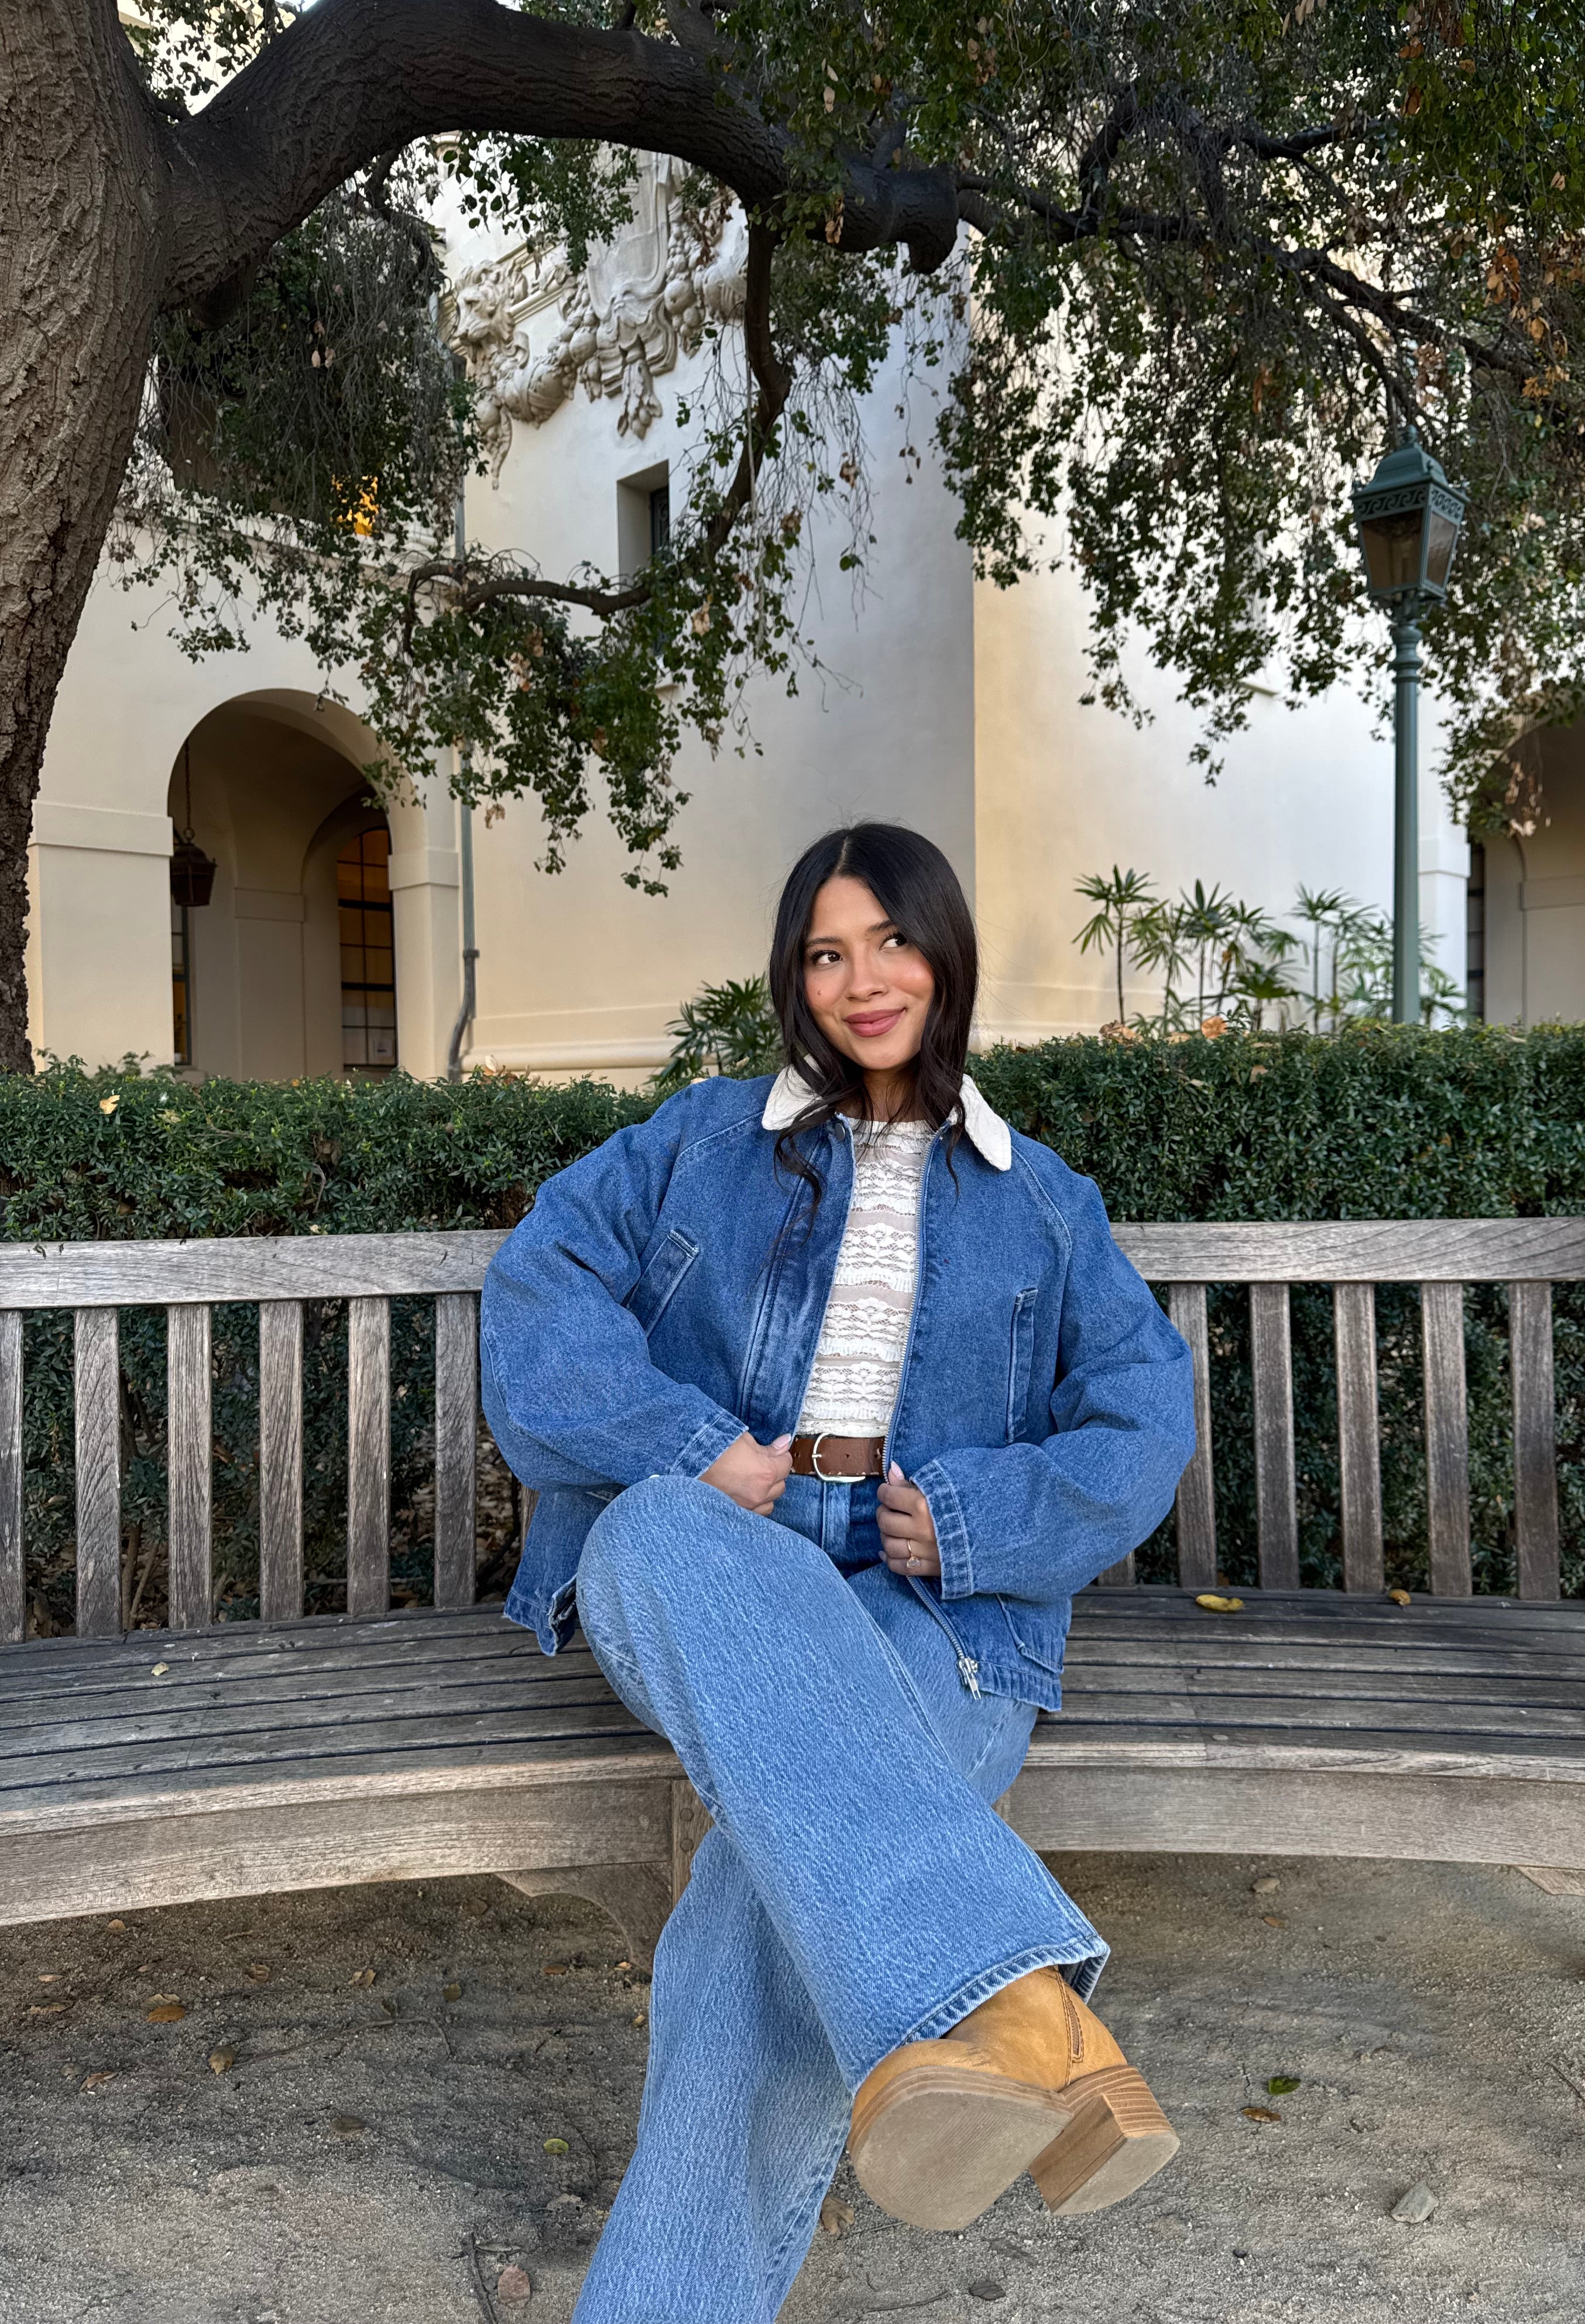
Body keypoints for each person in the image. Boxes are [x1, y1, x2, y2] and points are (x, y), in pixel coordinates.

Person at [481, 821, 1196, 2324]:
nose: (862, 980)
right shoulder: (695, 1140)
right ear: (793, 980)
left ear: (946, 955)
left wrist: (984, 1519)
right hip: (717, 1569)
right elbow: (539, 1286)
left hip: (936, 1615)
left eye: (890, 942)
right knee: (655, 1525)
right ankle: (1013, 1996)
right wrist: (689, 1444)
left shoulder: (1043, 1201)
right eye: (827, 951)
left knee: (756, 1902)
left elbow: (1142, 1421)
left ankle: (987, 2039)